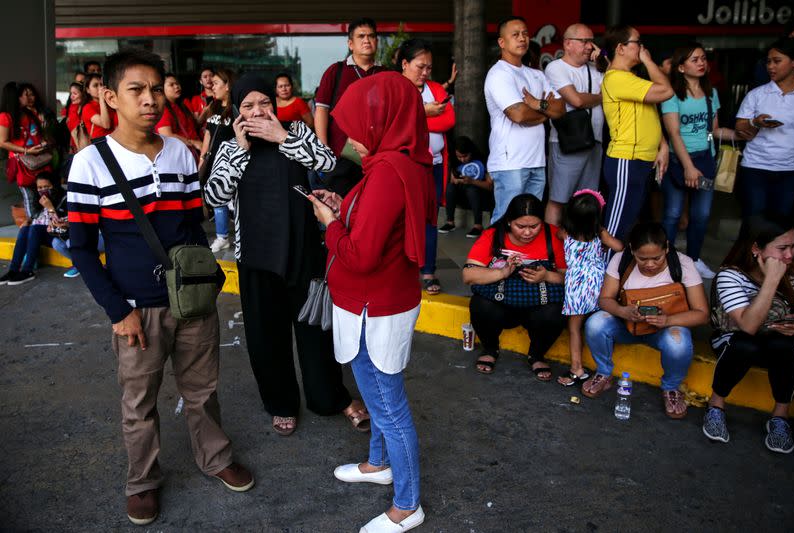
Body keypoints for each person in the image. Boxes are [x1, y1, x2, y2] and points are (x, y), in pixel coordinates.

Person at [67, 49, 253, 526]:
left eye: (155, 89)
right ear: (111, 97)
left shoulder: (179, 153)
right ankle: (143, 482)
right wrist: (117, 311)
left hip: (191, 300)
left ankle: (214, 457)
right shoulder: (89, 163)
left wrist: (203, 284)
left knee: (202, 389)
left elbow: (192, 226)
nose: (150, 100)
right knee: (139, 402)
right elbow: (83, 249)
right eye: (136, 90)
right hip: (135, 309)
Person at [203, 73, 370, 437]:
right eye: (248, 106)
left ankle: (330, 396)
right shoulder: (231, 144)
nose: (258, 111)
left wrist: (283, 138)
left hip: (303, 250)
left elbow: (327, 163)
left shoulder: (295, 129)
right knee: (266, 335)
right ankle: (280, 402)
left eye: (264, 103)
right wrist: (241, 152)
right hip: (256, 257)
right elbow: (212, 197)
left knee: (315, 329)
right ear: (237, 111)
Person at [307, 71, 433, 533]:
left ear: (383, 122)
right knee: (378, 392)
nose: (353, 140)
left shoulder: (385, 173)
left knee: (387, 404)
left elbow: (359, 255)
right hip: (383, 298)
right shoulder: (403, 163)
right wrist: (345, 209)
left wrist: (329, 223)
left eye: (360, 127)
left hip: (373, 303)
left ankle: (407, 504)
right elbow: (382, 230)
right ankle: (379, 463)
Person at [582, 222, 709, 419]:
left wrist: (667, 320)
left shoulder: (683, 264)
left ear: (666, 247)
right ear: (632, 249)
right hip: (628, 326)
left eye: (657, 258)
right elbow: (605, 299)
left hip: (663, 330)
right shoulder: (621, 259)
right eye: (642, 258)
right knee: (595, 323)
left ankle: (671, 388)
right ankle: (604, 372)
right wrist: (623, 311)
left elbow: (701, 313)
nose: (650, 264)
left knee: (679, 342)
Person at [705, 214, 794, 453]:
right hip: (734, 342)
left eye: (793, 246)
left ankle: (780, 417)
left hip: (776, 345)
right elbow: (748, 326)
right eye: (782, 248)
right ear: (756, 249)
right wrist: (772, 281)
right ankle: (716, 406)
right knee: (746, 343)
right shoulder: (730, 276)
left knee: (785, 345)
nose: (789, 255)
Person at [661, 43, 742, 279]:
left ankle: (694, 259)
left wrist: (737, 134)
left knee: (702, 215)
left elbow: (711, 130)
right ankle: (666, 261)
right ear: (681, 67)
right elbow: (674, 133)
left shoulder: (711, 93)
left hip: (705, 161)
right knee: (673, 214)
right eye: (695, 59)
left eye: (703, 58)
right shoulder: (672, 94)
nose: (701, 63)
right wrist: (688, 166)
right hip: (678, 163)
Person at [463, 194, 567, 380]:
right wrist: (502, 272)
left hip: (538, 306)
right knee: (480, 304)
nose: (528, 233)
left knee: (557, 311)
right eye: (521, 226)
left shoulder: (553, 235)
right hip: (502, 304)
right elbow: (468, 275)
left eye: (534, 226)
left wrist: (547, 276)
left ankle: (536, 354)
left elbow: (571, 279)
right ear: (509, 221)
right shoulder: (493, 235)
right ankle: (490, 348)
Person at [484, 16, 565, 224]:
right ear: (502, 42)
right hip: (510, 163)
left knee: (530, 222)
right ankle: (496, 257)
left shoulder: (536, 74)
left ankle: (524, 259)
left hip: (537, 161)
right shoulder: (498, 74)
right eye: (515, 35)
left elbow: (561, 108)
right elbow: (518, 114)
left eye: (525, 33)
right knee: (505, 220)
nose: (522, 38)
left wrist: (538, 104)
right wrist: (545, 113)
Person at [600, 25, 673, 244]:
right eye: (637, 43)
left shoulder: (630, 78)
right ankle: (601, 275)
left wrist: (663, 146)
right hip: (626, 159)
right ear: (620, 48)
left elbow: (648, 114)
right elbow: (666, 91)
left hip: (641, 159)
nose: (642, 48)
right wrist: (650, 61)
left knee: (628, 223)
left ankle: (615, 273)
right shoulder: (617, 78)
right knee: (615, 228)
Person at [398, 38, 455, 296]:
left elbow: (448, 121)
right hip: (403, 169)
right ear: (405, 64)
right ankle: (401, 271)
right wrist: (425, 112)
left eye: (429, 68)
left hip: (433, 166)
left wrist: (415, 116)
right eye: (420, 66)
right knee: (400, 219)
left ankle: (428, 270)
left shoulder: (434, 89)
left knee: (430, 221)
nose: (425, 72)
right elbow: (393, 123)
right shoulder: (395, 88)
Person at [314, 17, 387, 196]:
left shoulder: (386, 74)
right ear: (350, 43)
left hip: (377, 158)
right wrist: (324, 150)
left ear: (376, 41)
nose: (366, 40)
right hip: (341, 158)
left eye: (371, 36)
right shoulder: (336, 71)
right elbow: (321, 110)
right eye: (361, 36)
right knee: (340, 213)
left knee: (372, 214)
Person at [558, 190, 623, 386]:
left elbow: (558, 234)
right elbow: (619, 247)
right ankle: (603, 366)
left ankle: (576, 368)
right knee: (598, 320)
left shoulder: (565, 231)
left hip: (576, 284)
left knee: (575, 328)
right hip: (596, 282)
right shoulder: (599, 233)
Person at [543, 23, 605, 226]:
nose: (590, 46)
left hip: (594, 141)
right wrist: (600, 97)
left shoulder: (596, 69)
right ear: (568, 44)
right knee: (559, 199)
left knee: (588, 201)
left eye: (592, 42)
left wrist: (604, 57)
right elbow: (576, 100)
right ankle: (551, 248)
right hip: (567, 142)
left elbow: (617, 87)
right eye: (584, 41)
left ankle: (580, 248)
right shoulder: (556, 67)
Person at [734, 38, 794, 218]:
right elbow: (740, 127)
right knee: (754, 222)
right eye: (768, 62)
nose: (771, 67)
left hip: (791, 170)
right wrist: (755, 123)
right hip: (756, 167)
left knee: (782, 223)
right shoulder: (757, 94)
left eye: (777, 61)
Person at [0, 82, 53, 221]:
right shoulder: (6, 116)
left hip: (40, 159)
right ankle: (36, 223)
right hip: (23, 163)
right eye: (24, 95)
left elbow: (37, 134)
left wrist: (44, 142)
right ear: (16, 98)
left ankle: (46, 222)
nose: (28, 97)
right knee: (30, 196)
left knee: (45, 193)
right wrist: (26, 150)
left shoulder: (29, 113)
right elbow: (2, 142)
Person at [198, 68, 236, 253]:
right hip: (212, 162)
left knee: (236, 202)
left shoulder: (236, 109)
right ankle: (222, 237)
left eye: (216, 83)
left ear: (228, 85)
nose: (212, 86)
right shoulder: (213, 107)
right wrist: (202, 158)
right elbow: (208, 134)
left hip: (230, 163)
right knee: (217, 200)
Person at [0, 173, 63, 285]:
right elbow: (36, 216)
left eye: (47, 187)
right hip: (39, 233)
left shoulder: (63, 198)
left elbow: (62, 223)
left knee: (35, 229)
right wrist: (28, 220)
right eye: (40, 187)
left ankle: (28, 271)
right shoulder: (39, 199)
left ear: (54, 185)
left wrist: (50, 207)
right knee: (25, 229)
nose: (43, 190)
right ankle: (13, 270)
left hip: (55, 233)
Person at [439, 135, 494, 239]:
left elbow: (490, 186)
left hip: (479, 193)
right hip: (461, 192)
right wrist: (457, 180)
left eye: (465, 156)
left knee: (471, 189)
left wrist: (472, 181)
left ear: (471, 152)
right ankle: (450, 222)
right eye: (459, 157)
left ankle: (478, 225)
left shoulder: (481, 160)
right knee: (450, 187)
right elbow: (452, 180)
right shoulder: (455, 161)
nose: (462, 159)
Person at [155, 73, 202, 157]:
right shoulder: (164, 109)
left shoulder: (181, 105)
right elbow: (166, 135)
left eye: (177, 83)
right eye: (171, 85)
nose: (176, 86)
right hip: (181, 155)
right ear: (162, 89)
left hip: (192, 152)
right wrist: (193, 143)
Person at [81, 73, 116, 139]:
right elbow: (106, 125)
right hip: (101, 144)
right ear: (88, 90)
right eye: (95, 85)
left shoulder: (110, 103)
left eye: (101, 85)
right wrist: (101, 99)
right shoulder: (87, 107)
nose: (100, 88)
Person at [64, 81, 89, 153]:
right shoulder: (72, 108)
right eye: (71, 93)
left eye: (75, 93)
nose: (71, 96)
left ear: (83, 94)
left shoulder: (87, 108)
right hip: (78, 148)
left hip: (84, 147)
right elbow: (74, 132)